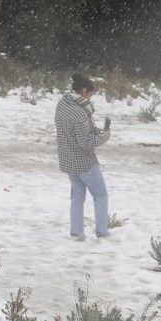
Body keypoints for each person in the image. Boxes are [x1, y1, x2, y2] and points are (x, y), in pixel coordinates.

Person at [55, 72, 111, 240]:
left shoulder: (63, 104)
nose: (91, 98)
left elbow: (70, 130)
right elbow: (85, 142)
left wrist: (93, 129)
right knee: (101, 195)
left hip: (67, 159)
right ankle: (102, 231)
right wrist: (105, 136)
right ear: (84, 91)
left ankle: (76, 231)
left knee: (77, 195)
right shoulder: (80, 113)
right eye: (91, 94)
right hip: (84, 162)